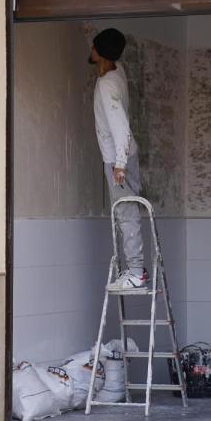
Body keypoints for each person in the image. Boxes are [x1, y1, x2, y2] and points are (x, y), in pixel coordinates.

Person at [88, 28, 147, 290]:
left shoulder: (107, 84)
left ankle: (136, 271)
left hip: (117, 158)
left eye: (93, 47)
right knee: (127, 211)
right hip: (122, 155)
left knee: (126, 213)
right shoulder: (116, 72)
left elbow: (119, 125)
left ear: (99, 52)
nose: (90, 50)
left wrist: (119, 164)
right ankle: (135, 269)